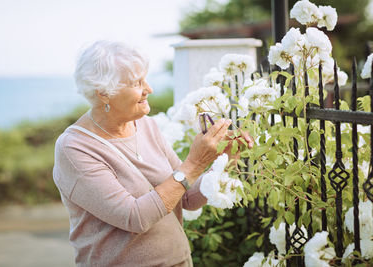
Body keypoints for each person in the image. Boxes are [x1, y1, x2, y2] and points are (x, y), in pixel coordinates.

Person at [53, 40, 253, 266]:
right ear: (104, 94)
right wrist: (194, 163)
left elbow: (186, 197)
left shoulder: (146, 125)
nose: (149, 89)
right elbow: (135, 217)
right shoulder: (75, 148)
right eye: (137, 82)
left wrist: (226, 158)